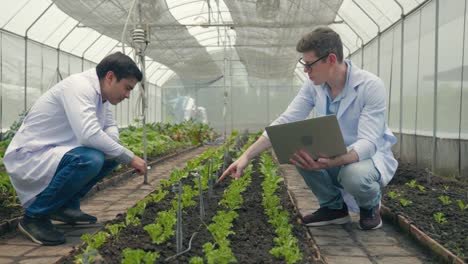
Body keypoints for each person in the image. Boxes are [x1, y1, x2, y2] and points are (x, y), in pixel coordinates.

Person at [219, 27, 397, 230]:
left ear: (330, 59)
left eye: (310, 65)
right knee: (299, 149)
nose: (306, 71)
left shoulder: (370, 86)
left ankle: (370, 206)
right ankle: (333, 208)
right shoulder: (314, 85)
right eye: (304, 65)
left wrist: (333, 162)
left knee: (353, 176)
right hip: (332, 152)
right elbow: (286, 120)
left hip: (364, 159)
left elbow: (368, 143)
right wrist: (246, 156)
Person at [3, 52, 148, 245]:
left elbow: (109, 126)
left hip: (57, 151)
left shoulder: (101, 96)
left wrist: (116, 150)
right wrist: (130, 158)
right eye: (127, 88)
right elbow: (88, 134)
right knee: (91, 159)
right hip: (31, 155)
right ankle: (34, 217)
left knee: (110, 155)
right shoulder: (79, 87)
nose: (128, 95)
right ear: (110, 77)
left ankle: (64, 206)